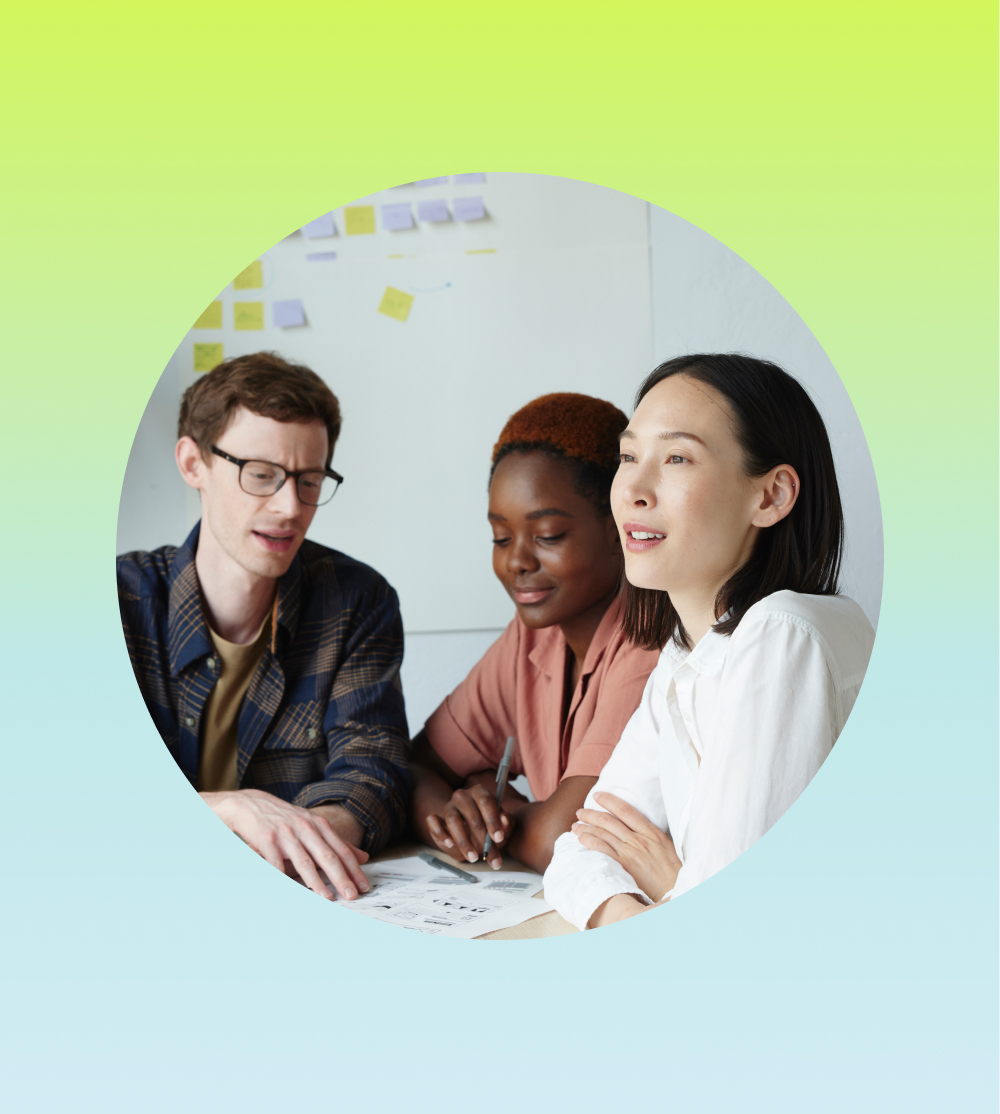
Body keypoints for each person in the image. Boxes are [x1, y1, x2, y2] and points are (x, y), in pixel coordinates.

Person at [542, 353, 876, 930]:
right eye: (627, 456)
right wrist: (661, 895)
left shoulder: (784, 632)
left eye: (677, 457)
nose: (633, 489)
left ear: (770, 496)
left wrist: (676, 881)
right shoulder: (684, 657)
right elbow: (574, 853)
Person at [117, 351, 410, 903]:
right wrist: (227, 807)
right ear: (192, 463)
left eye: (309, 480)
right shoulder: (117, 600)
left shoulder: (358, 600)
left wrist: (304, 838)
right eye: (262, 475)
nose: (289, 507)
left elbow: (373, 776)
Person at [410, 393, 661, 874]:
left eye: (547, 535)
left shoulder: (651, 636)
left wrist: (504, 811)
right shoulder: (531, 637)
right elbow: (413, 768)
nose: (517, 561)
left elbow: (562, 840)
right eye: (500, 538)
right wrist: (460, 816)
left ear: (618, 529)